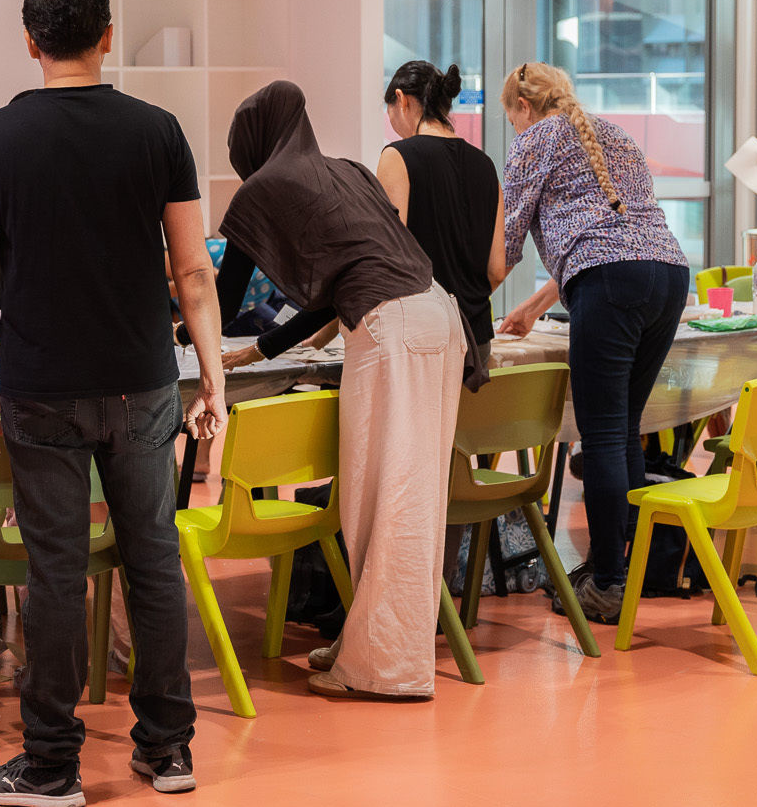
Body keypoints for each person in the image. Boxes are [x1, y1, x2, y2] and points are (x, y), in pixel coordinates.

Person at [0, 0, 226, 807]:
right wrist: (210, 373)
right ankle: (168, 748)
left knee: (57, 573)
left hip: (40, 386)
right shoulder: (159, 131)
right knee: (153, 558)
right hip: (144, 381)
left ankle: (51, 765)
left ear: (31, 42)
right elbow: (192, 269)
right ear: (108, 35)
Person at [215, 81, 466, 702]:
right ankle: (372, 642)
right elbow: (334, 289)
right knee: (413, 496)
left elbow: (221, 300)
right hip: (437, 314)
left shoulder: (262, 189)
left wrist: (175, 327)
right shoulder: (347, 170)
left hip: (392, 327)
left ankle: (387, 667)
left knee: (384, 499)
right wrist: (267, 348)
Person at [495, 62, 690, 620]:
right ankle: (628, 571)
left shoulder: (536, 138)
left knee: (601, 435)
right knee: (623, 425)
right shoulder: (614, 134)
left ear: (523, 108)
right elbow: (614, 232)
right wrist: (534, 308)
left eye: (512, 119)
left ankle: (607, 582)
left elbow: (508, 243)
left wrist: (458, 302)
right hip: (669, 274)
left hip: (610, 281)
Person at [375, 60, 505, 371]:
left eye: (389, 109)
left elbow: (389, 259)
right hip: (477, 340)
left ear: (401, 99)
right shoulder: (485, 165)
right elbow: (497, 270)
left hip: (423, 337)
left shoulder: (397, 156)